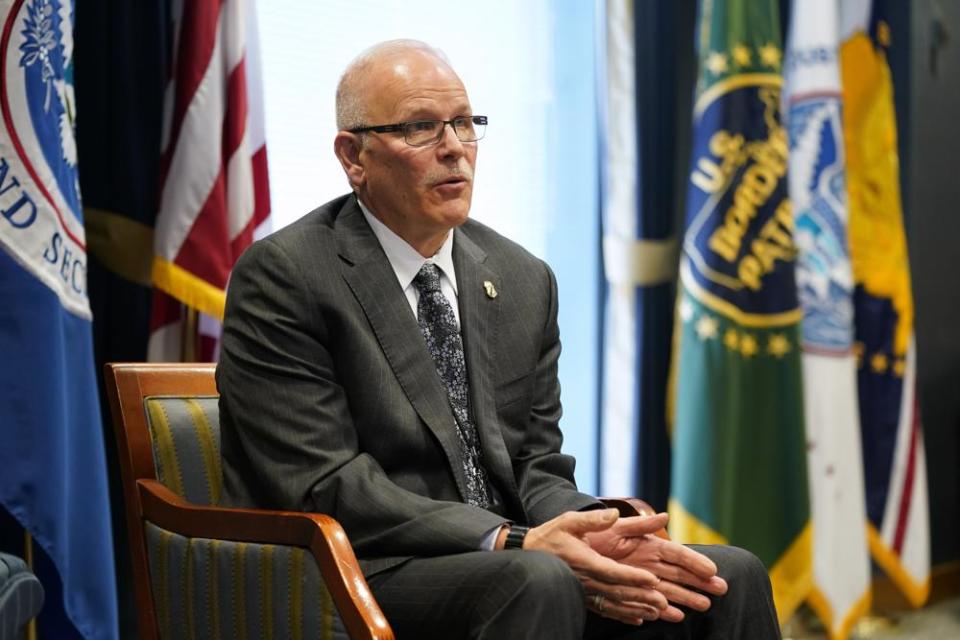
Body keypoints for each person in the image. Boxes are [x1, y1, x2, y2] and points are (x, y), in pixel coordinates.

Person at [217, 39, 781, 639]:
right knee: (538, 580)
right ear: (353, 156)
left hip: (516, 557)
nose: (454, 148)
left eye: (464, 124)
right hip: (364, 564)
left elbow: (536, 464)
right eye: (420, 128)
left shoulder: (521, 278)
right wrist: (513, 540)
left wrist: (591, 535)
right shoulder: (288, 275)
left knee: (724, 576)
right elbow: (326, 484)